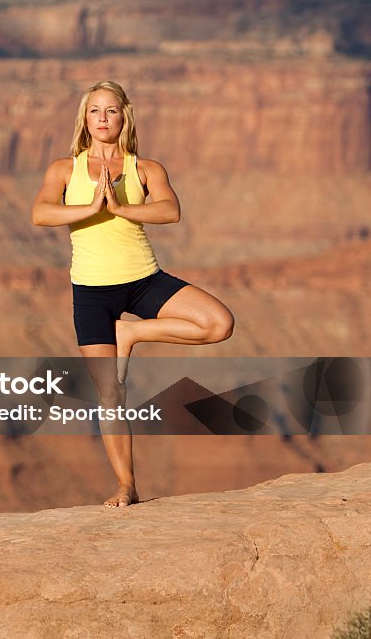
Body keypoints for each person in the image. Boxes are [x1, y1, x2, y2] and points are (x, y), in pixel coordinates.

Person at [31, 80, 234, 508]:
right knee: (111, 395)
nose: (103, 119)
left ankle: (133, 335)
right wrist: (91, 207)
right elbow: (41, 212)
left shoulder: (145, 168)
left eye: (111, 111)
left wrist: (120, 208)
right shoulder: (64, 170)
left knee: (219, 324)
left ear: (125, 118)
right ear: (84, 121)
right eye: (94, 111)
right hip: (91, 292)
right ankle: (127, 486)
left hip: (144, 280)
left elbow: (170, 210)